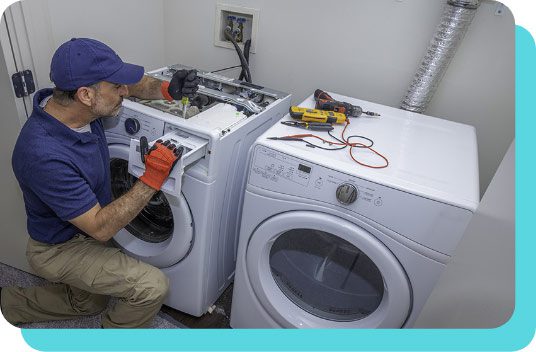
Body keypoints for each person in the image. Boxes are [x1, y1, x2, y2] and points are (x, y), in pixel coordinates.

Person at [0, 38, 200, 328]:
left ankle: (9, 304)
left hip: (84, 233)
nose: (124, 92)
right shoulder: (42, 154)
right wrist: (153, 177)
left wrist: (168, 89)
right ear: (85, 95)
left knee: (90, 301)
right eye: (116, 87)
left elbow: (136, 84)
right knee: (152, 286)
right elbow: (100, 227)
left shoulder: (76, 106)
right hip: (59, 248)